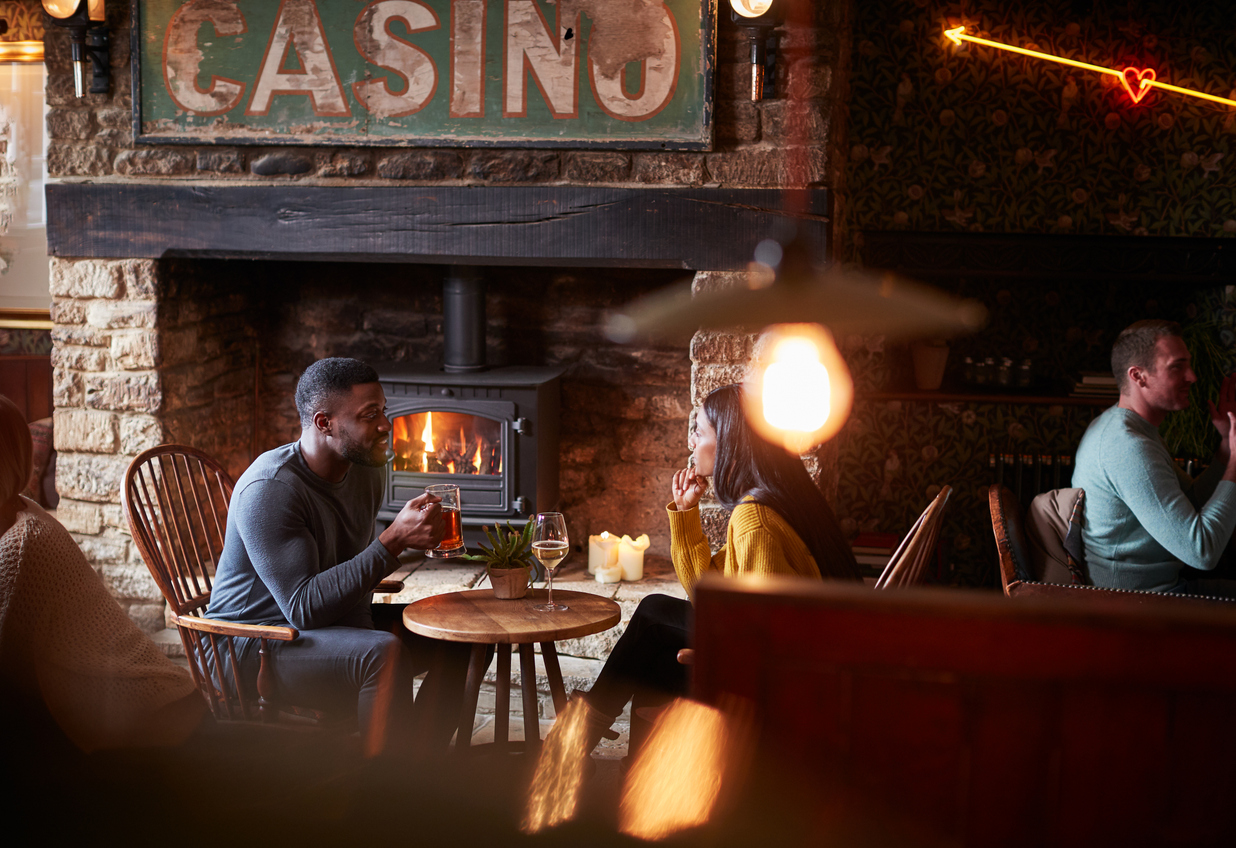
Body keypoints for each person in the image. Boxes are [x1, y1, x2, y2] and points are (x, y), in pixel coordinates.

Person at [207, 357, 477, 754]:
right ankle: (383, 791)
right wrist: (392, 543)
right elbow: (302, 608)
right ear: (324, 423)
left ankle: (417, 761)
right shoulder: (271, 488)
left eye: (383, 411)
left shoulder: (365, 468)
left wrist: (365, 629)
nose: (386, 425)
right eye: (370, 415)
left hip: (316, 629)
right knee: (381, 656)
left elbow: (349, 585)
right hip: (250, 644)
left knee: (458, 631)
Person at [576, 383, 861, 755]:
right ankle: (591, 735)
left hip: (787, 673)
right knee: (653, 611)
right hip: (804, 653)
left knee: (657, 657)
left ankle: (594, 746)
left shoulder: (754, 519)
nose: (691, 444)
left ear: (728, 442)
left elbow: (763, 636)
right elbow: (710, 595)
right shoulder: (771, 497)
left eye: (698, 431)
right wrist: (685, 513)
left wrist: (714, 660)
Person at [0, 393, 207, 753]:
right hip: (145, 712)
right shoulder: (18, 513)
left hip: (156, 722)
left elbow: (8, 678)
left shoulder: (20, 546)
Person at [1072, 319, 1236, 596]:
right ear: (1138, 376)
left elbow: (1192, 501)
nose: (1192, 376)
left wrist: (1226, 448)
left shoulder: (1131, 428)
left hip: (1162, 590)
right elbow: (1202, 552)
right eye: (1177, 367)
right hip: (1139, 607)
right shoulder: (1127, 446)